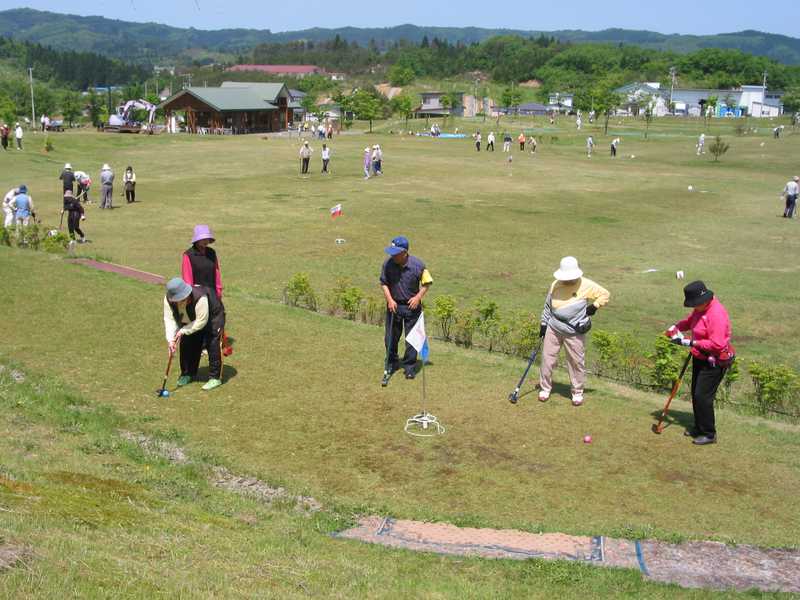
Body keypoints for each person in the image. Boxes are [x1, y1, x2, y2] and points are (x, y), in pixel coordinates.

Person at [665, 281, 734, 445]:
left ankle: (709, 434)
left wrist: (690, 343)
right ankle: (699, 426)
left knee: (702, 396)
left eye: (695, 304)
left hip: (715, 360)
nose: (693, 307)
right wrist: (676, 327)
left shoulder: (716, 314)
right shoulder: (700, 309)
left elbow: (718, 344)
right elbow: (690, 322)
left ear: (704, 300)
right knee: (696, 393)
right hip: (700, 356)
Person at [538, 256, 610, 406]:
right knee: (547, 358)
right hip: (554, 327)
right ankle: (545, 388)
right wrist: (544, 325)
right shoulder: (555, 284)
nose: (567, 280)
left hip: (574, 331)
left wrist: (595, 306)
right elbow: (547, 306)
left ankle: (577, 392)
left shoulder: (586, 284)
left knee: (576, 362)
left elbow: (605, 294)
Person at [380, 236, 433, 379]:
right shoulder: (388, 264)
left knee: (412, 339)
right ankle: (392, 363)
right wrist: (390, 300)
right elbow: (384, 283)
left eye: (395, 253)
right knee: (390, 338)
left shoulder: (418, 265)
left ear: (404, 252)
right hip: (394, 306)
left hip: (412, 307)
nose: (392, 255)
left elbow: (427, 282)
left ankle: (409, 366)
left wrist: (418, 297)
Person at [163, 277, 226, 391]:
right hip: (190, 318)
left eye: (183, 298)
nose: (181, 301)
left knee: (212, 343)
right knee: (188, 342)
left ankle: (215, 377)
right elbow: (169, 319)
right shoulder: (168, 299)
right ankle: (188, 373)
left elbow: (201, 321)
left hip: (213, 317)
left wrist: (183, 330)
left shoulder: (200, 297)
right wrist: (171, 340)